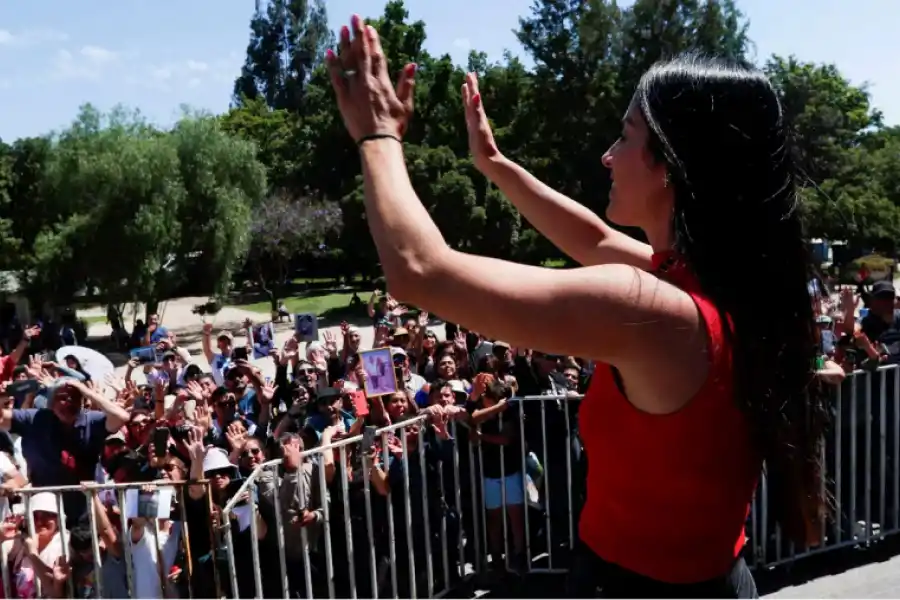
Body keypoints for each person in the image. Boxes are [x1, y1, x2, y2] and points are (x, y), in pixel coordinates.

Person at [327, 23, 826, 598]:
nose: (607, 155)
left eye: (625, 135)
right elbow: (590, 237)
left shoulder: (653, 312)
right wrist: (494, 163)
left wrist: (376, 137)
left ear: (671, 165)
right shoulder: (716, 286)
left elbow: (419, 269)